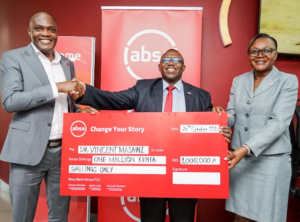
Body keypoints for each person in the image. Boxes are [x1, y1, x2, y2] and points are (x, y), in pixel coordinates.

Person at [74, 49, 232, 222]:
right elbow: (113, 99)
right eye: (166, 59)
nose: (171, 62)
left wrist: (220, 128)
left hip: (185, 173)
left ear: (184, 67)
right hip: (152, 172)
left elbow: (209, 131)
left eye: (176, 60)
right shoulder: (142, 88)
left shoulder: (201, 96)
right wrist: (83, 92)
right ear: (160, 66)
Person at [0, 11, 97, 222]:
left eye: (51, 29)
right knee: (23, 216)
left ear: (57, 33)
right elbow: (11, 101)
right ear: (29, 31)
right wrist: (57, 87)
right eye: (39, 28)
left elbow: (66, 102)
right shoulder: (13, 58)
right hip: (28, 152)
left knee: (60, 215)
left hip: (63, 152)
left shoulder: (67, 63)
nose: (46, 33)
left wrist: (80, 111)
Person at [214, 33, 298, 222]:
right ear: (248, 55)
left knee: (268, 216)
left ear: (275, 54)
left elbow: (279, 122)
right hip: (241, 161)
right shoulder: (239, 80)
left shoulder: (288, 81)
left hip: (271, 161)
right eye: (254, 51)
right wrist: (219, 117)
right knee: (242, 215)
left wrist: (245, 149)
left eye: (266, 50)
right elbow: (232, 115)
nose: (260, 55)